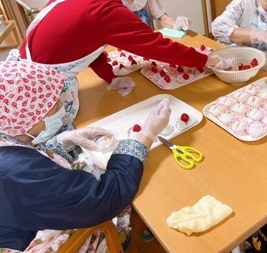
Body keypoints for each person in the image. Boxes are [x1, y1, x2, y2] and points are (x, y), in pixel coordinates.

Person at [8, 0, 234, 125]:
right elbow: (158, 47)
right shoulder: (106, 9)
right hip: (41, 88)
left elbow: (85, 43)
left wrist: (109, 76)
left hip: (27, 75)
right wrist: (206, 60)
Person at [0, 61, 172, 252]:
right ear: (27, 117)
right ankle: (118, 238)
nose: (60, 106)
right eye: (53, 105)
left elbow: (32, 169)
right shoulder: (19, 172)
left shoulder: (8, 133)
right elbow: (103, 200)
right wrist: (145, 137)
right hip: (28, 240)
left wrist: (60, 142)